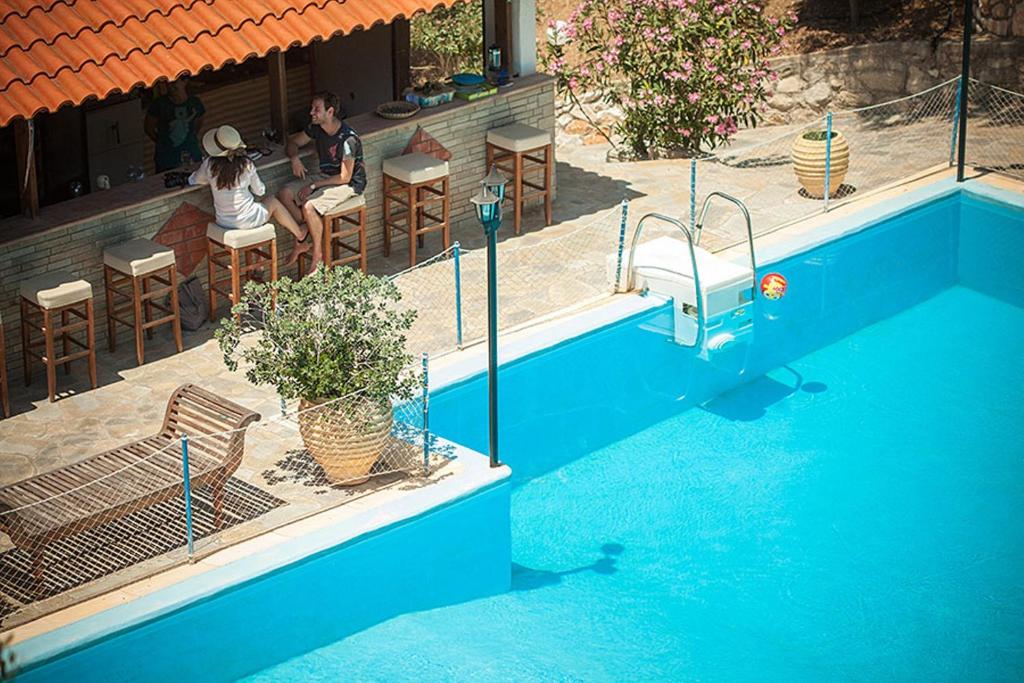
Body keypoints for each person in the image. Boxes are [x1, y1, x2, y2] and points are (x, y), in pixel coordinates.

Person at [189, 125, 309, 264]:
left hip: (224, 223)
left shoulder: (209, 165)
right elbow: (260, 191)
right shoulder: (246, 164)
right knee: (272, 202)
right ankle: (299, 234)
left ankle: (258, 264)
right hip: (248, 220)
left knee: (258, 211)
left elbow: (195, 180)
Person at [278, 91, 366, 267]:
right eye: (312, 108)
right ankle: (304, 234)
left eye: (316, 109)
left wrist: (313, 185)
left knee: (309, 206)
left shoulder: (348, 139)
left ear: (330, 112)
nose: (311, 113)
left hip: (349, 184)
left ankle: (318, 255)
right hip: (325, 176)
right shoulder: (316, 128)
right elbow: (293, 143)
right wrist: (295, 159)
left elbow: (344, 177)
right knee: (284, 193)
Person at [146, 77, 205, 173]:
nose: (170, 86)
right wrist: (163, 142)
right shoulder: (159, 104)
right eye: (168, 83)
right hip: (166, 159)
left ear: (185, 82)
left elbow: (199, 123)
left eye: (174, 83)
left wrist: (189, 136)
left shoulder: (195, 103)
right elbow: (149, 128)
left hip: (192, 153)